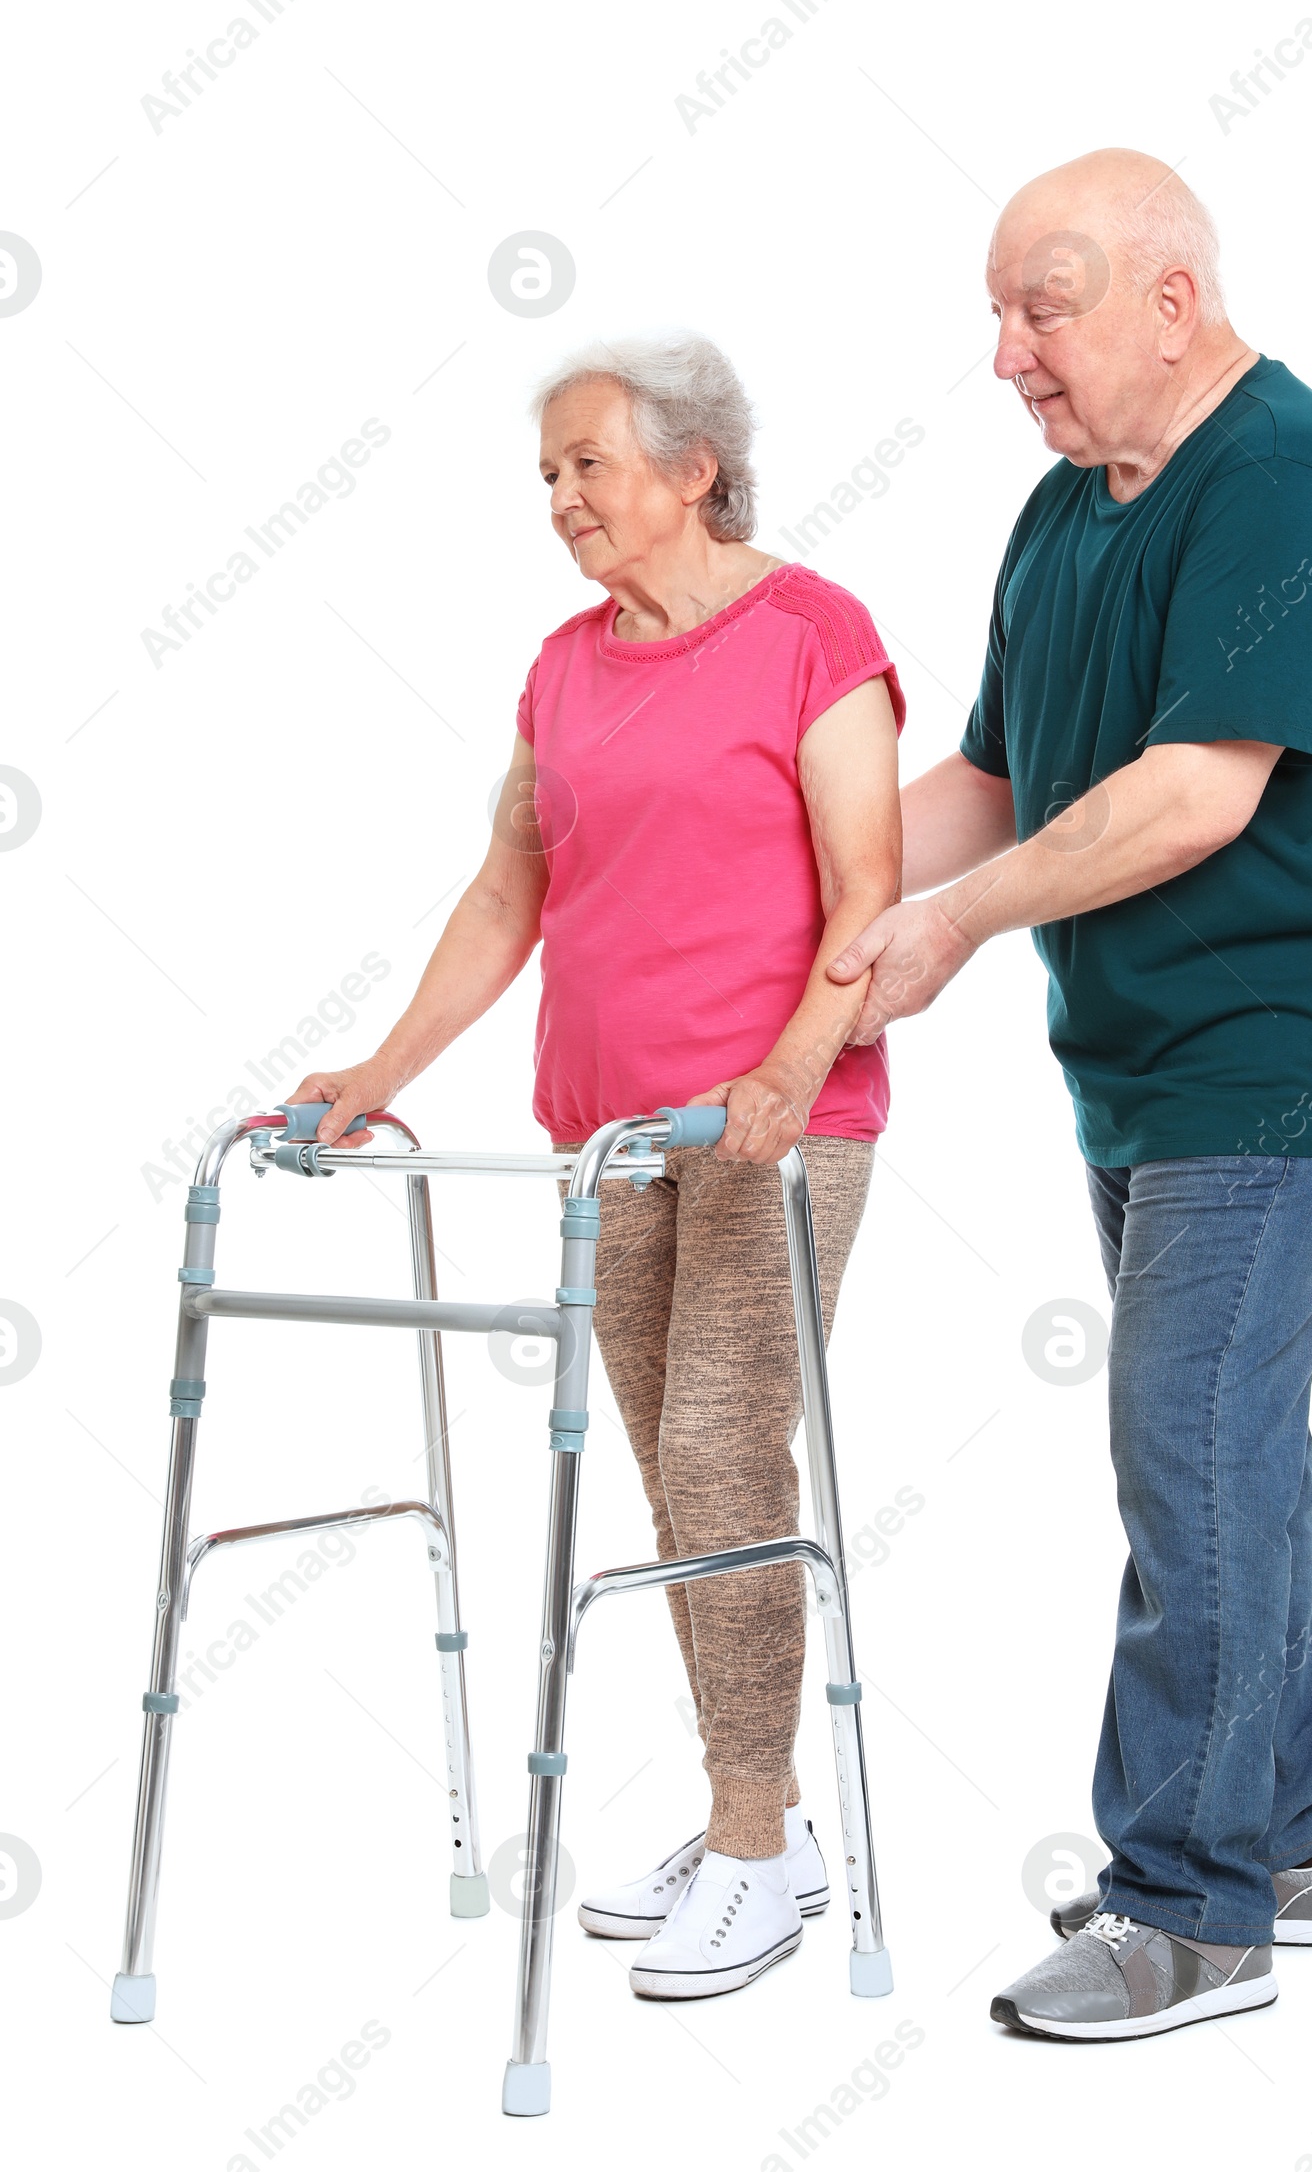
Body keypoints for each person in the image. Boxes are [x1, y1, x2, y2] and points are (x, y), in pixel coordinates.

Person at [829, 150, 1312, 2041]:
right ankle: (1289, 1834)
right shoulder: (1065, 512)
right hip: (1148, 1066)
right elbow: (997, 779)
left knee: (1188, 1437)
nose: (1008, 353)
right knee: (1229, 1440)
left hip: (1296, 1056)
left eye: (1045, 309)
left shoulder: (1284, 479)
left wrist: (942, 933)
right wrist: (807, 881)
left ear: (1168, 300)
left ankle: (1188, 1909)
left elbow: (1198, 789)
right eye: (999, 314)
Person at [288, 333, 904, 2001]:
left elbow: (870, 882)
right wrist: (377, 1071)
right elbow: (508, 895)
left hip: (777, 1130)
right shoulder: (562, 669)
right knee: (676, 1472)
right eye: (548, 475)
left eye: (588, 465)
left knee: (718, 1449)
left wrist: (790, 1069)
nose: (562, 499)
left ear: (693, 468)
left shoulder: (812, 638)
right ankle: (748, 1817)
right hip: (610, 1141)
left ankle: (763, 1852)